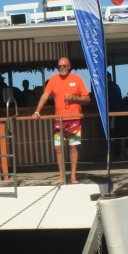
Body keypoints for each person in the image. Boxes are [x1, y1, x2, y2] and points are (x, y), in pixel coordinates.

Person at [32, 57, 91, 185]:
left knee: (73, 146)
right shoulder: (53, 79)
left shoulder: (77, 79)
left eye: (64, 65)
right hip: (59, 119)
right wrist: (37, 111)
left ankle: (73, 176)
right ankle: (61, 176)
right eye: (59, 66)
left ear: (69, 66)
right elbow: (45, 95)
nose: (62, 68)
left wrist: (74, 98)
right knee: (57, 147)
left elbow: (87, 99)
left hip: (74, 118)